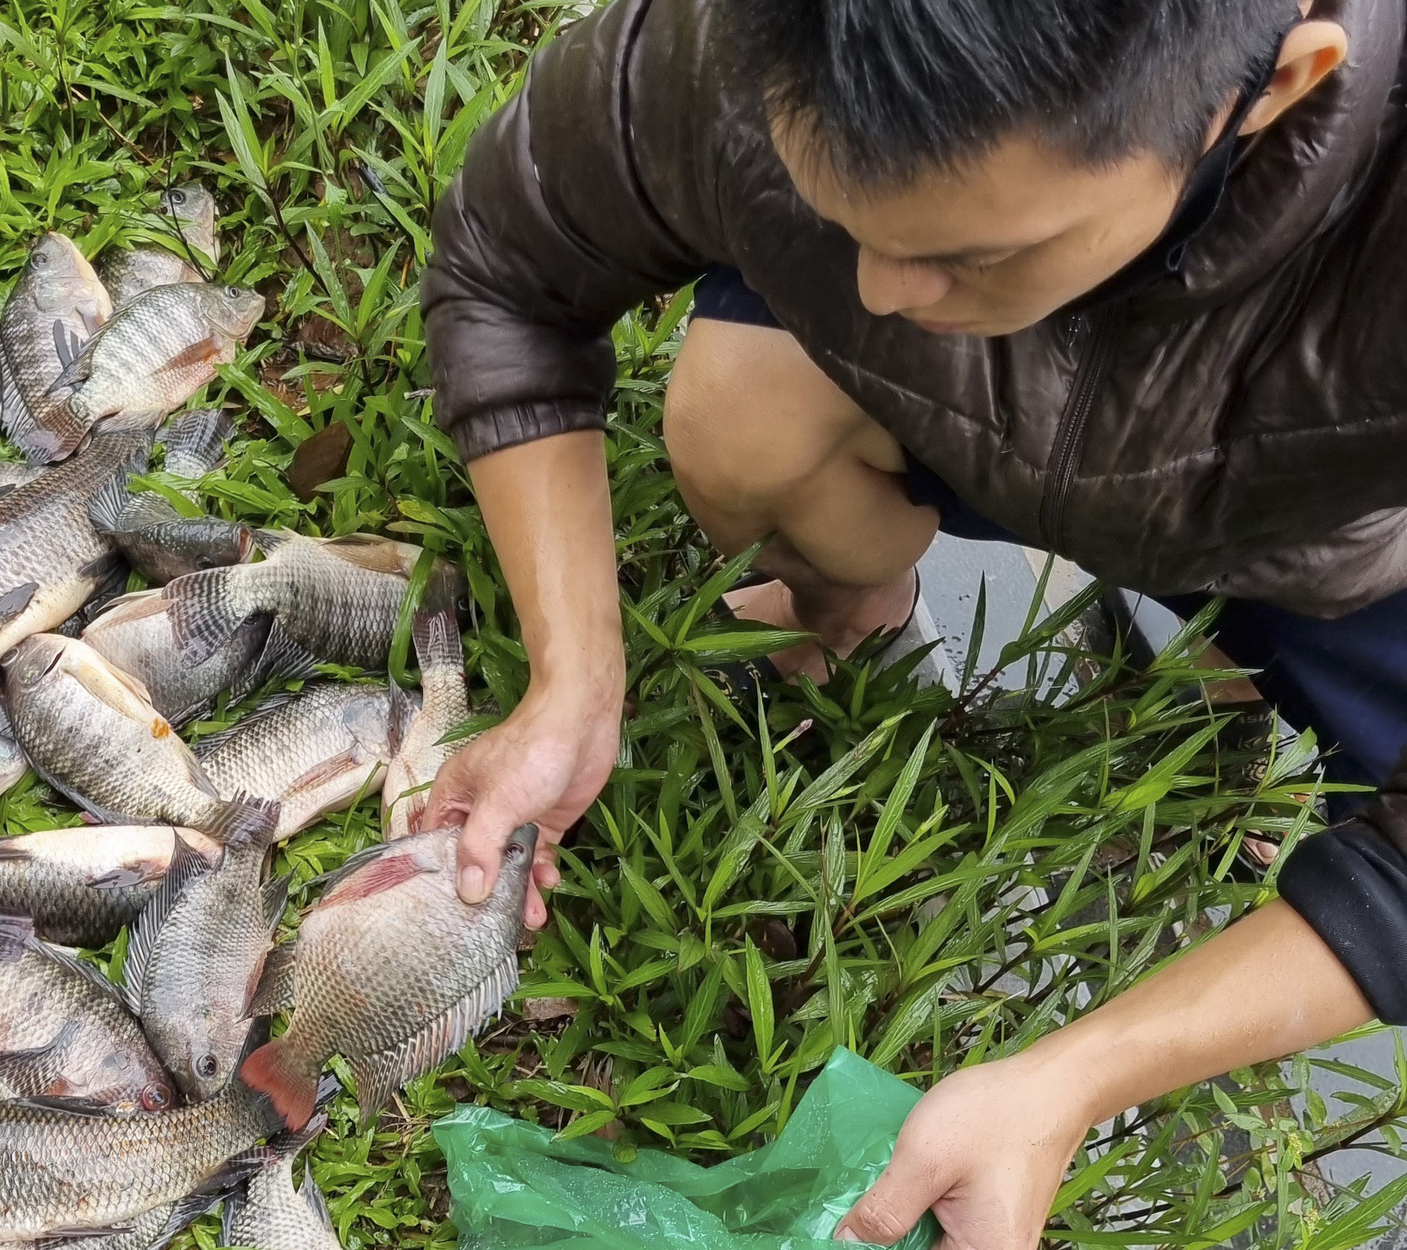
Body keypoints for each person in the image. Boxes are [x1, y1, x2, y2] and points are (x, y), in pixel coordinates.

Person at [417, 0, 1407, 1245]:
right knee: (746, 413)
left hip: (1334, 538)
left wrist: (1065, 1080)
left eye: (973, 247)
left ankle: (1229, 679)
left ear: (1271, 87)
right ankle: (853, 607)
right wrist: (571, 680)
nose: (881, 286)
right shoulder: (742, 38)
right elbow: (508, 265)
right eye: (839, 211)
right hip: (962, 410)